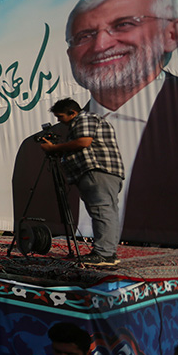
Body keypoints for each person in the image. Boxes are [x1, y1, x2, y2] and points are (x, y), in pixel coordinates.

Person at [65, 0, 178, 243]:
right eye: (84, 36)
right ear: (70, 54)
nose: (101, 45)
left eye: (123, 25)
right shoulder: (41, 148)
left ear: (171, 34)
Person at [40, 98, 124, 266]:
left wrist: (54, 148)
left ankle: (103, 254)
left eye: (61, 116)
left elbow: (84, 142)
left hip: (96, 171)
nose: (59, 121)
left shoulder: (84, 118)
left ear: (73, 113)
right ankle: (109, 253)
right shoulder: (86, 121)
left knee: (101, 211)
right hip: (105, 172)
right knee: (108, 212)